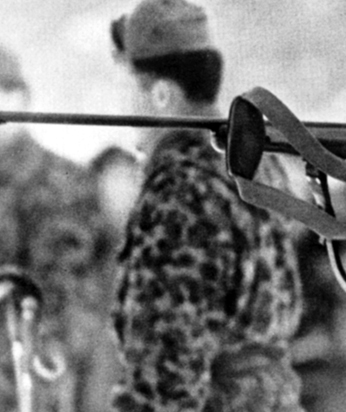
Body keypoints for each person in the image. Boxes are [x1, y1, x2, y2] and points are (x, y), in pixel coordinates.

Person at [107, 0, 304, 411]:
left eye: (125, 86)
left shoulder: (179, 189)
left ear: (161, 94)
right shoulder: (257, 165)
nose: (120, 105)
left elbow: (165, 378)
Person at [0, 45, 119, 412]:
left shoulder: (62, 184)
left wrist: (43, 370)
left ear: (18, 98)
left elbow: (71, 300)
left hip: (28, 385)